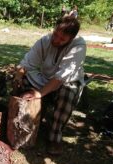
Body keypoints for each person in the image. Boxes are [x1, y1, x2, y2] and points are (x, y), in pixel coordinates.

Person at [13, 16, 86, 155]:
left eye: (62, 39)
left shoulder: (78, 46)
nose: (56, 40)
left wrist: (39, 93)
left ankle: (54, 137)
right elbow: (27, 64)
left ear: (71, 38)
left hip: (67, 81)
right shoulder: (45, 41)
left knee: (68, 92)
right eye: (55, 34)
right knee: (24, 80)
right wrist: (18, 76)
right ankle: (25, 123)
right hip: (46, 79)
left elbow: (62, 76)